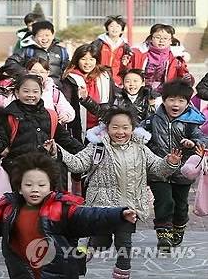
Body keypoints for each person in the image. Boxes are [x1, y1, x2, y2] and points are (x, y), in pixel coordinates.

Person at [0, 152, 138, 278]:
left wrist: (119, 214)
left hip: (60, 274)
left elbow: (92, 216)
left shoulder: (62, 208)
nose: (35, 190)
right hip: (23, 273)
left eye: (41, 185)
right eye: (29, 185)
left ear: (51, 187)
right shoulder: (8, 210)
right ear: (19, 187)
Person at [44, 107, 181, 278]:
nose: (120, 131)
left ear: (133, 128)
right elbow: (77, 163)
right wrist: (57, 151)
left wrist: (170, 163)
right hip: (103, 207)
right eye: (115, 127)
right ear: (107, 127)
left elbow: (158, 169)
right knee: (102, 242)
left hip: (129, 208)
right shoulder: (97, 147)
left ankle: (122, 274)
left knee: (125, 245)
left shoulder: (141, 148)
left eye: (125, 127)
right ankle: (76, 259)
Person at [142, 79, 208, 252]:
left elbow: (203, 139)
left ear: (187, 103)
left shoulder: (190, 122)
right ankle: (163, 233)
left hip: (182, 171)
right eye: (171, 99)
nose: (175, 104)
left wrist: (193, 143)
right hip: (159, 169)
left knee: (180, 206)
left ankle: (179, 226)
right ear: (164, 100)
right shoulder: (152, 121)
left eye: (181, 100)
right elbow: (139, 135)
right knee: (164, 201)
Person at [0, 75, 83, 176]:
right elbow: (1, 139)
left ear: (41, 93)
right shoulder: (9, 116)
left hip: (44, 170)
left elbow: (66, 140)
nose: (30, 95)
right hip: (17, 170)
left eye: (35, 91)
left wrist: (85, 152)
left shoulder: (50, 116)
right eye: (26, 91)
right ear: (17, 92)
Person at [61, 43, 116, 142]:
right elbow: (67, 104)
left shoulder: (105, 76)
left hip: (101, 127)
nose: (87, 63)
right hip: (79, 128)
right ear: (77, 60)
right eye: (83, 59)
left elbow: (112, 98)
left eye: (91, 59)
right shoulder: (70, 79)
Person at [127, 23, 193, 94]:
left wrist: (188, 79)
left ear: (170, 40)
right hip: (140, 92)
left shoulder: (177, 57)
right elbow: (129, 71)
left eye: (165, 38)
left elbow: (184, 75)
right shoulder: (138, 53)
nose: (161, 41)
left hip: (166, 93)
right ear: (151, 38)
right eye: (158, 37)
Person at [79, 69, 160, 122]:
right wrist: (86, 99)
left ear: (143, 83)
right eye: (128, 81)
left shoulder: (148, 96)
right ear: (123, 84)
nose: (132, 84)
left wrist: (151, 105)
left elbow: (152, 120)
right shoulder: (116, 96)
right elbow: (101, 112)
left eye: (135, 81)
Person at [2, 20, 69, 82]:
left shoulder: (62, 51)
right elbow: (10, 64)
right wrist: (25, 73)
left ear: (53, 35)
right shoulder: (27, 51)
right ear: (33, 37)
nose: (44, 38)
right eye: (40, 36)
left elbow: (68, 69)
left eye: (47, 35)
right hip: (33, 87)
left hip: (56, 89)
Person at [26, 56, 75, 124]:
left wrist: (66, 115)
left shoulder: (53, 92)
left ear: (47, 73)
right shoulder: (18, 90)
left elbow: (67, 109)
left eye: (42, 72)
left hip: (49, 131)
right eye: (34, 72)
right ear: (27, 72)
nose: (38, 75)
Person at [90, 15, 132, 86]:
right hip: (99, 78)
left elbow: (128, 66)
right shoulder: (98, 43)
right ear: (107, 29)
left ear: (122, 30)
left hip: (117, 81)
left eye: (118, 26)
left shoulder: (125, 47)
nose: (114, 29)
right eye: (111, 26)